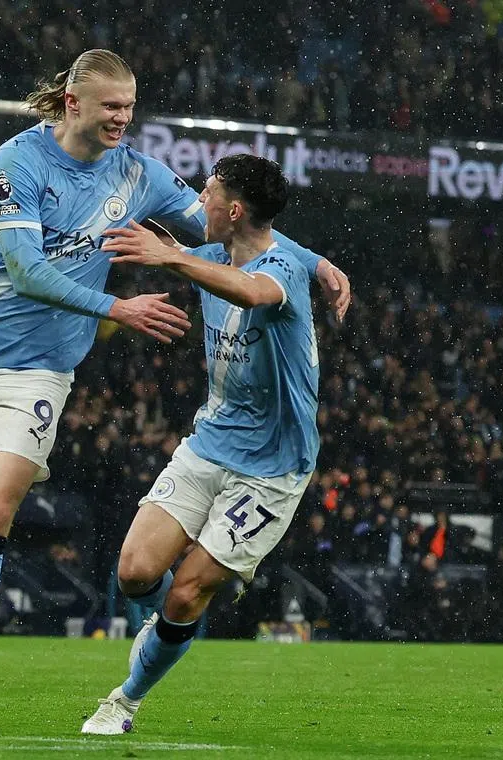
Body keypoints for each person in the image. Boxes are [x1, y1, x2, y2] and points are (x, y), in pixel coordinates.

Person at [0, 49, 350, 729]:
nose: (124, 119)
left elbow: (241, 232)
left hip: (42, 368)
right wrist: (117, 310)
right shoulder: (18, 163)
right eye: (112, 107)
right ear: (73, 103)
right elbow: (26, 271)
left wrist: (313, 259)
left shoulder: (140, 174)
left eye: (131, 107)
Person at [78, 153, 321, 734]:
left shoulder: (281, 267)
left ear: (234, 210)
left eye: (207, 193)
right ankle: (163, 626)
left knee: (187, 593)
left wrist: (172, 258)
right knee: (134, 573)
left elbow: (252, 292)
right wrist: (178, 254)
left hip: (273, 467)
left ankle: (125, 701)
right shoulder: (214, 250)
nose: (198, 202)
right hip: (210, 443)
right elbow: (215, 257)